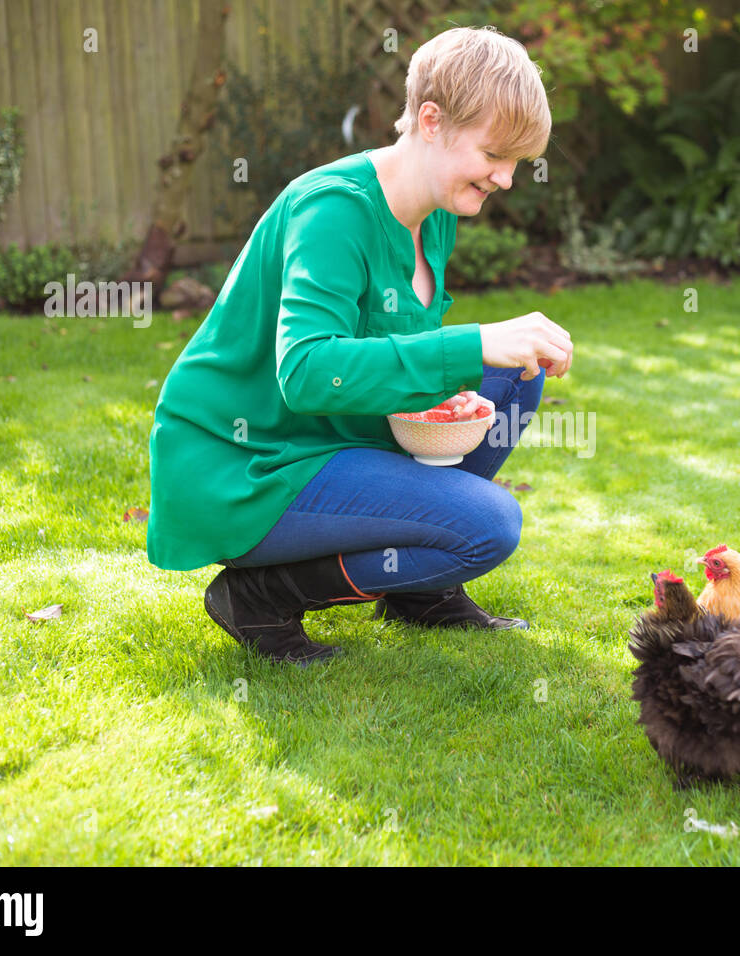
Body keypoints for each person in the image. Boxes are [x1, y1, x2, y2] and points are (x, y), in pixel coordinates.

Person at [145, 26, 572, 666]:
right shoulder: (334, 211)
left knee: (518, 375)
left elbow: (396, 348)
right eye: (495, 155)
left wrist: (483, 353)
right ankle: (260, 595)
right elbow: (307, 371)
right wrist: (473, 342)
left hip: (335, 432)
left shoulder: (438, 213)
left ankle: (419, 591)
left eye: (516, 161)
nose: (507, 179)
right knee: (490, 525)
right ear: (431, 121)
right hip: (255, 456)